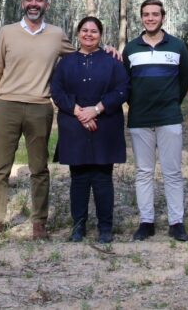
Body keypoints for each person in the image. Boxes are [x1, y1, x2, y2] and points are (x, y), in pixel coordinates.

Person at [0, 0, 74, 241]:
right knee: (0, 167)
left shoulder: (56, 35)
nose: (34, 3)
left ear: (47, 5)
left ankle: (39, 223)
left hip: (40, 107)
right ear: (23, 3)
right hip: (7, 105)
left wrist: (107, 51)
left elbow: (79, 58)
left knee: (39, 169)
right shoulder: (7, 32)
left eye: (39, 0)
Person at [49, 16, 130, 244]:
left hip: (105, 126)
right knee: (79, 179)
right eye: (84, 30)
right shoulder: (66, 63)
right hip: (74, 127)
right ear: (78, 34)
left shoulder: (112, 61)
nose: (88, 34)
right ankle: (78, 227)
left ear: (100, 35)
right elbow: (57, 91)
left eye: (94, 31)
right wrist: (79, 112)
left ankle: (105, 228)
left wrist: (96, 110)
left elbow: (123, 89)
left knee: (103, 179)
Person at [123, 0, 188, 242]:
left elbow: (183, 82)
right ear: (141, 17)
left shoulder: (178, 47)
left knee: (172, 172)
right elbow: (126, 84)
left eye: (155, 14)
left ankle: (176, 223)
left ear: (163, 17)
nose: (150, 18)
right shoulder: (131, 49)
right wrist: (138, 104)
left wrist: (170, 103)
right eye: (146, 14)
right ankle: (146, 222)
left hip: (169, 118)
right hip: (140, 118)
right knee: (143, 172)